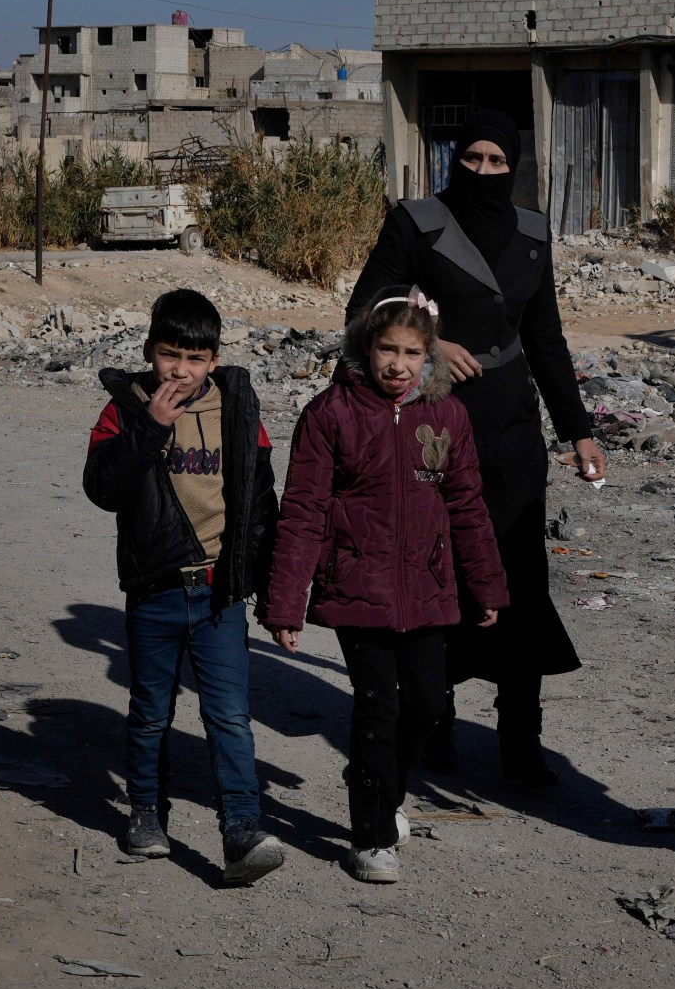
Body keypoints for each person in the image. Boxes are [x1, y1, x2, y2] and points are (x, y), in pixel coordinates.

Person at [344, 110, 603, 786]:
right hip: (435, 422)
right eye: (473, 159)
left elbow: (545, 336)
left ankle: (522, 738)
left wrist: (579, 430)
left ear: (514, 166)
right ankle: (435, 726)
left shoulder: (533, 232)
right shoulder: (416, 220)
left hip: (513, 424)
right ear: (454, 158)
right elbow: (366, 306)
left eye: (497, 162)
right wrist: (432, 344)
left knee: (517, 573)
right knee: (443, 570)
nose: (484, 172)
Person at [262, 290, 508, 884]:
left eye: (412, 353)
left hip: (427, 586)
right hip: (355, 586)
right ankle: (368, 837)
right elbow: (302, 510)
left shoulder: (447, 417)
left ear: (430, 358)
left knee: (426, 702)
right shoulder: (330, 413)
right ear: (364, 348)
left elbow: (468, 506)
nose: (398, 364)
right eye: (386, 349)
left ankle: (381, 786)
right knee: (378, 707)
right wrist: (285, 603)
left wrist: (486, 587)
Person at [83, 288, 287, 885]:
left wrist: (267, 589)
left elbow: (261, 502)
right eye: (170, 355)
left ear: (214, 361)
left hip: (218, 594)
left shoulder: (238, 409)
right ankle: (146, 815)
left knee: (229, 715)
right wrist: (149, 428)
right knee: (150, 713)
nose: (181, 370)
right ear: (149, 351)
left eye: (196, 359)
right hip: (155, 591)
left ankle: (241, 830)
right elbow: (103, 490)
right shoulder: (125, 409)